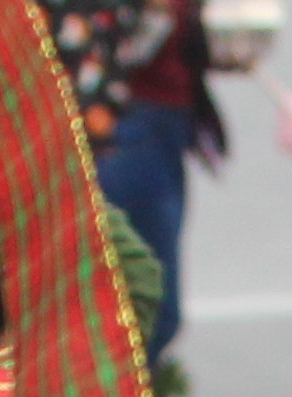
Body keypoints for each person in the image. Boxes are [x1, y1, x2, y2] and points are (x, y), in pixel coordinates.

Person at [55, 0, 230, 370]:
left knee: (148, 310)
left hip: (161, 125)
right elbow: (122, 48)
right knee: (143, 308)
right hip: (126, 127)